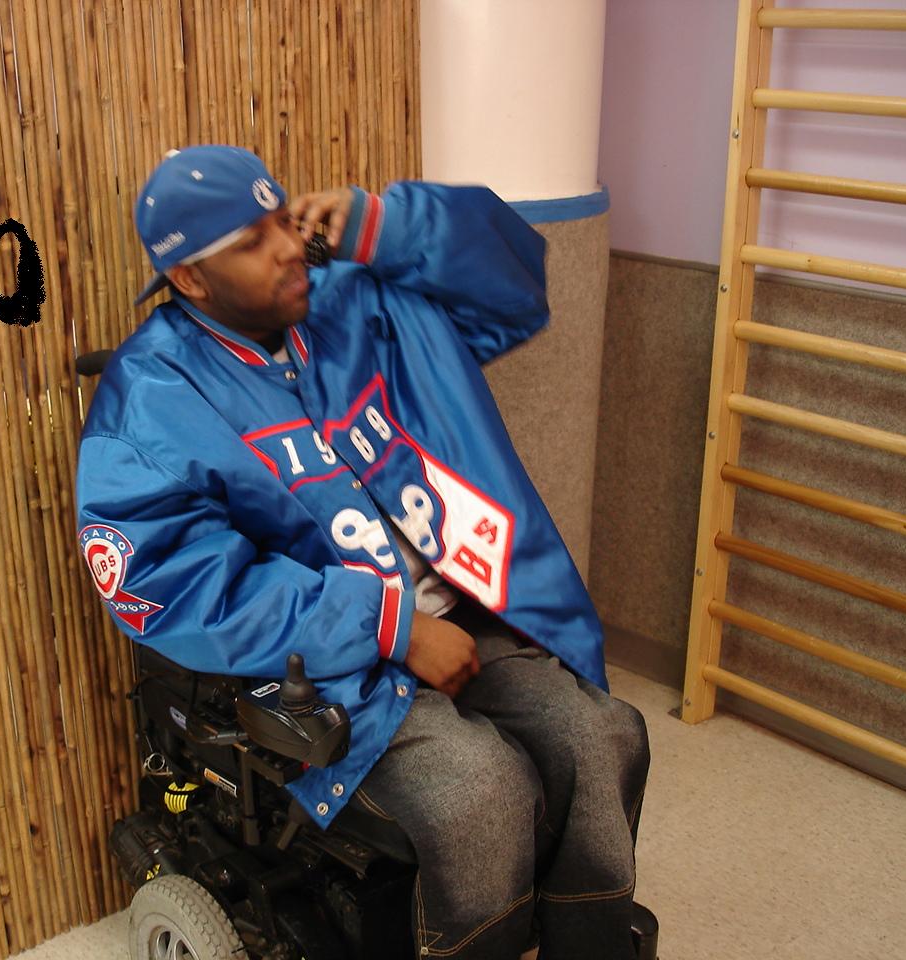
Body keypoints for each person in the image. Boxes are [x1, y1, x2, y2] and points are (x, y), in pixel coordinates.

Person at [76, 144, 649, 960]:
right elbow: (174, 582)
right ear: (190, 279)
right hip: (329, 668)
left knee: (601, 739)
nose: (289, 247)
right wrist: (393, 628)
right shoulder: (153, 397)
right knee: (482, 794)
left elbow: (515, 290)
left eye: (285, 221)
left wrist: (387, 226)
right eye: (253, 241)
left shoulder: (357, 301)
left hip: (466, 607)